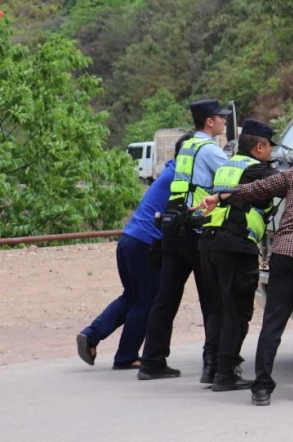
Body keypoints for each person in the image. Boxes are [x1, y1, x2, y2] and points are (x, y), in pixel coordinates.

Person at [197, 140, 293, 406]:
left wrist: (219, 197)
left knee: (273, 322)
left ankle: (261, 389)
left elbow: (254, 189)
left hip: (285, 257)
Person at [76, 133, 193, 370]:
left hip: (130, 240)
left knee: (132, 296)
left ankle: (91, 335)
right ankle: (126, 356)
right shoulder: (179, 178)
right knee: (146, 300)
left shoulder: (170, 171)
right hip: (144, 244)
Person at [138, 99, 230, 382]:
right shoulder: (209, 149)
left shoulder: (187, 146)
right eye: (221, 118)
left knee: (166, 298)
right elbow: (234, 177)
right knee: (212, 300)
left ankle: (151, 361)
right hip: (196, 230)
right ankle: (212, 366)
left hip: (173, 227)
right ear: (209, 122)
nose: (224, 122)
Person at [199, 119, 280, 392]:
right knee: (237, 310)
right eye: (270, 147)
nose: (272, 153)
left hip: (208, 243)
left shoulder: (227, 165)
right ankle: (226, 373)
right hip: (235, 245)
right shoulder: (259, 170)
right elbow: (290, 182)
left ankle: (211, 368)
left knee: (218, 308)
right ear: (259, 147)